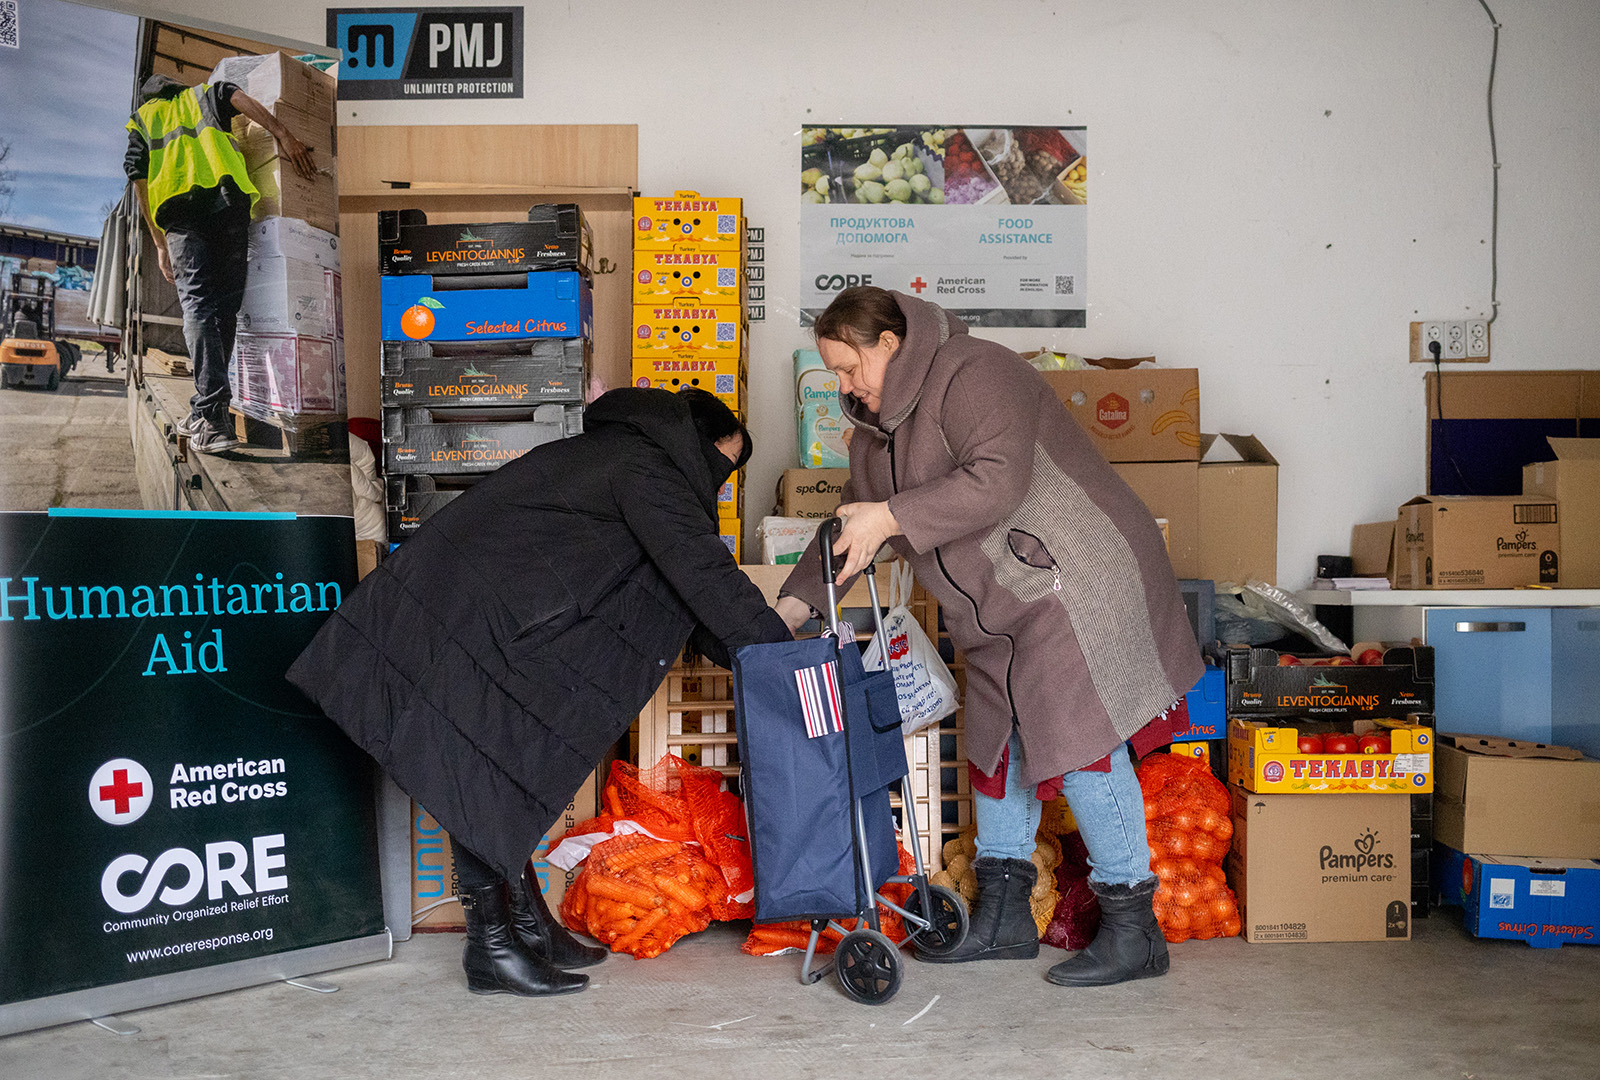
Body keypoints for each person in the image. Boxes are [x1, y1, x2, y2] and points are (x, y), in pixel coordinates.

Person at [288, 388, 791, 997]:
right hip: (472, 616)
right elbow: (703, 573)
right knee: (483, 773)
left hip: (487, 612)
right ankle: (491, 946)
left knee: (497, 774)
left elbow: (685, 589)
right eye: (723, 465)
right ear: (697, 442)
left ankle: (527, 924)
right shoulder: (646, 466)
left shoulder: (629, 457)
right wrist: (781, 656)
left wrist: (761, 645)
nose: (721, 482)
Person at [775, 287, 1203, 987]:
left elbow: (998, 481)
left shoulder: (976, 372)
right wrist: (794, 606)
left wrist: (887, 516)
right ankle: (1005, 918)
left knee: (1081, 743)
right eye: (836, 375)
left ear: (892, 344)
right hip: (995, 607)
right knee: (995, 748)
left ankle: (1136, 931)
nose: (845, 387)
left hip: (1068, 581)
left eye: (853, 368)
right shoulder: (876, 430)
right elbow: (863, 527)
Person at [124, 74, 318, 454]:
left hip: (181, 213)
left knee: (198, 305)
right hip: (229, 205)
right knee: (225, 309)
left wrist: (158, 241)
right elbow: (241, 99)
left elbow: (139, 178)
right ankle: (206, 409)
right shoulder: (203, 94)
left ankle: (213, 420)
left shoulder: (143, 119)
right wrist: (284, 135)